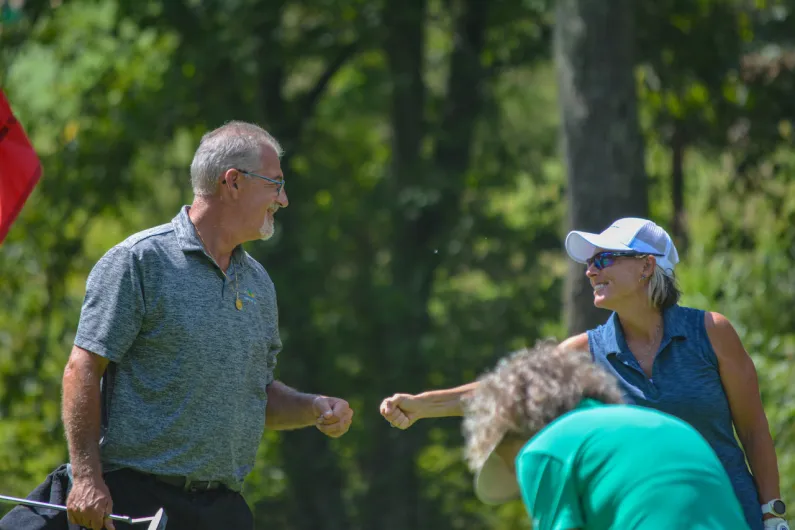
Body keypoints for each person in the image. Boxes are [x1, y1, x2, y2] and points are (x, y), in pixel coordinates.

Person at [6, 121, 354, 530]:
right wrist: (86, 478)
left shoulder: (259, 282)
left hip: (221, 511)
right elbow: (81, 369)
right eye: (275, 184)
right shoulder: (139, 261)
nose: (284, 199)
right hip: (134, 502)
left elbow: (255, 394)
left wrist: (313, 408)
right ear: (234, 182)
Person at [380, 217, 787, 530]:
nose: (591, 270)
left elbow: (753, 431)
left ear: (647, 267)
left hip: (732, 514)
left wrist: (773, 515)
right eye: (590, 262)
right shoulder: (583, 351)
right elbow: (510, 393)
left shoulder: (712, 332)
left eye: (605, 259)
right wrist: (421, 406)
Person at [462, 341, 751, 530]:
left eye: (506, 459)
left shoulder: (544, 449)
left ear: (517, 428)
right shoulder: (666, 423)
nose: (517, 474)